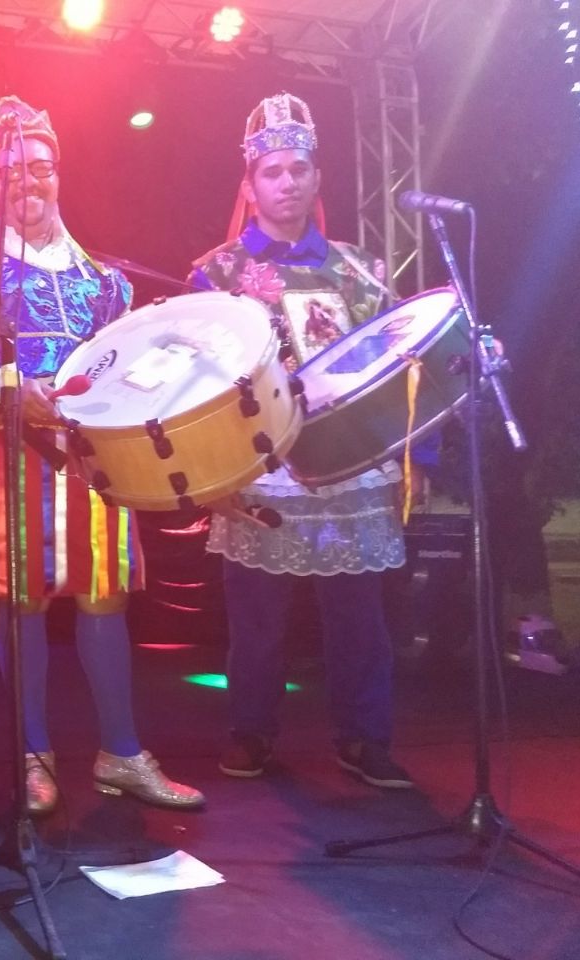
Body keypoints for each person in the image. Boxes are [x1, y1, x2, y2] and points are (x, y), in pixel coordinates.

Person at [0, 96, 204, 816]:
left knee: (104, 592)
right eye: (11, 171)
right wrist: (12, 387)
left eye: (42, 168)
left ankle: (121, 752)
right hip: (12, 449)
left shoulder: (107, 281)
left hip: (91, 457)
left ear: (59, 175)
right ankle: (32, 754)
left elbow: (126, 363)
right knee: (22, 598)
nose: (29, 181)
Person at [188, 92, 415, 789]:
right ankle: (251, 729)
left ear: (317, 178)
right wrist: (211, 471)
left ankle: (364, 737)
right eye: (272, 171)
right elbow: (195, 383)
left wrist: (410, 455)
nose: (286, 182)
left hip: (351, 464)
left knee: (359, 616)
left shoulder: (361, 270)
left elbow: (397, 368)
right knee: (256, 615)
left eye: (298, 169)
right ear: (250, 185)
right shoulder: (217, 274)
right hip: (261, 465)